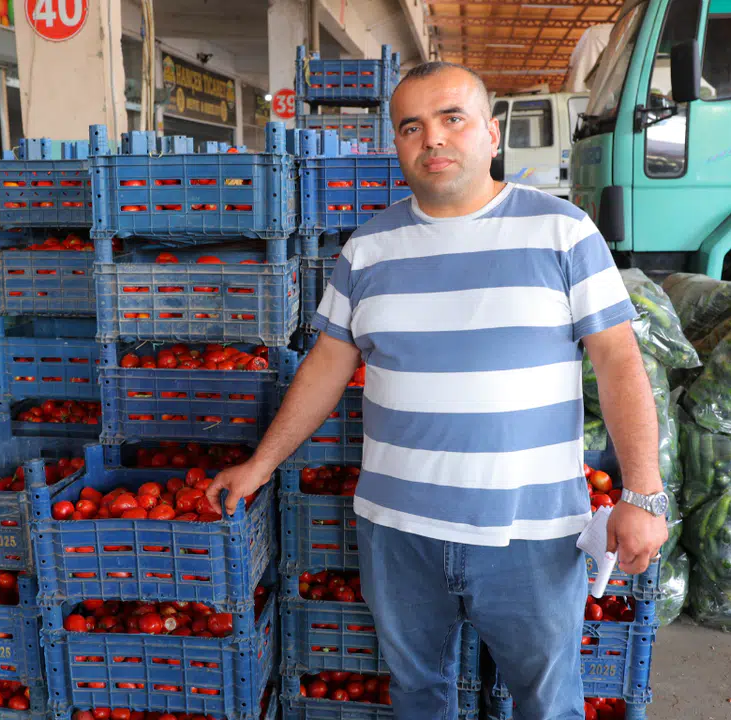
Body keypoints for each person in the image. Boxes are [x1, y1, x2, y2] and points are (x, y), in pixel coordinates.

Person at [206, 61, 669, 720]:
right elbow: (325, 367)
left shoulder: (563, 231)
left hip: (530, 539)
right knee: (417, 694)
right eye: (411, 127)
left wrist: (643, 492)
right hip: (399, 535)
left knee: (547, 702)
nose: (433, 140)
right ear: (395, 144)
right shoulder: (367, 251)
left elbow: (620, 362)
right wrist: (260, 465)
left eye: (452, 119)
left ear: (490, 131)